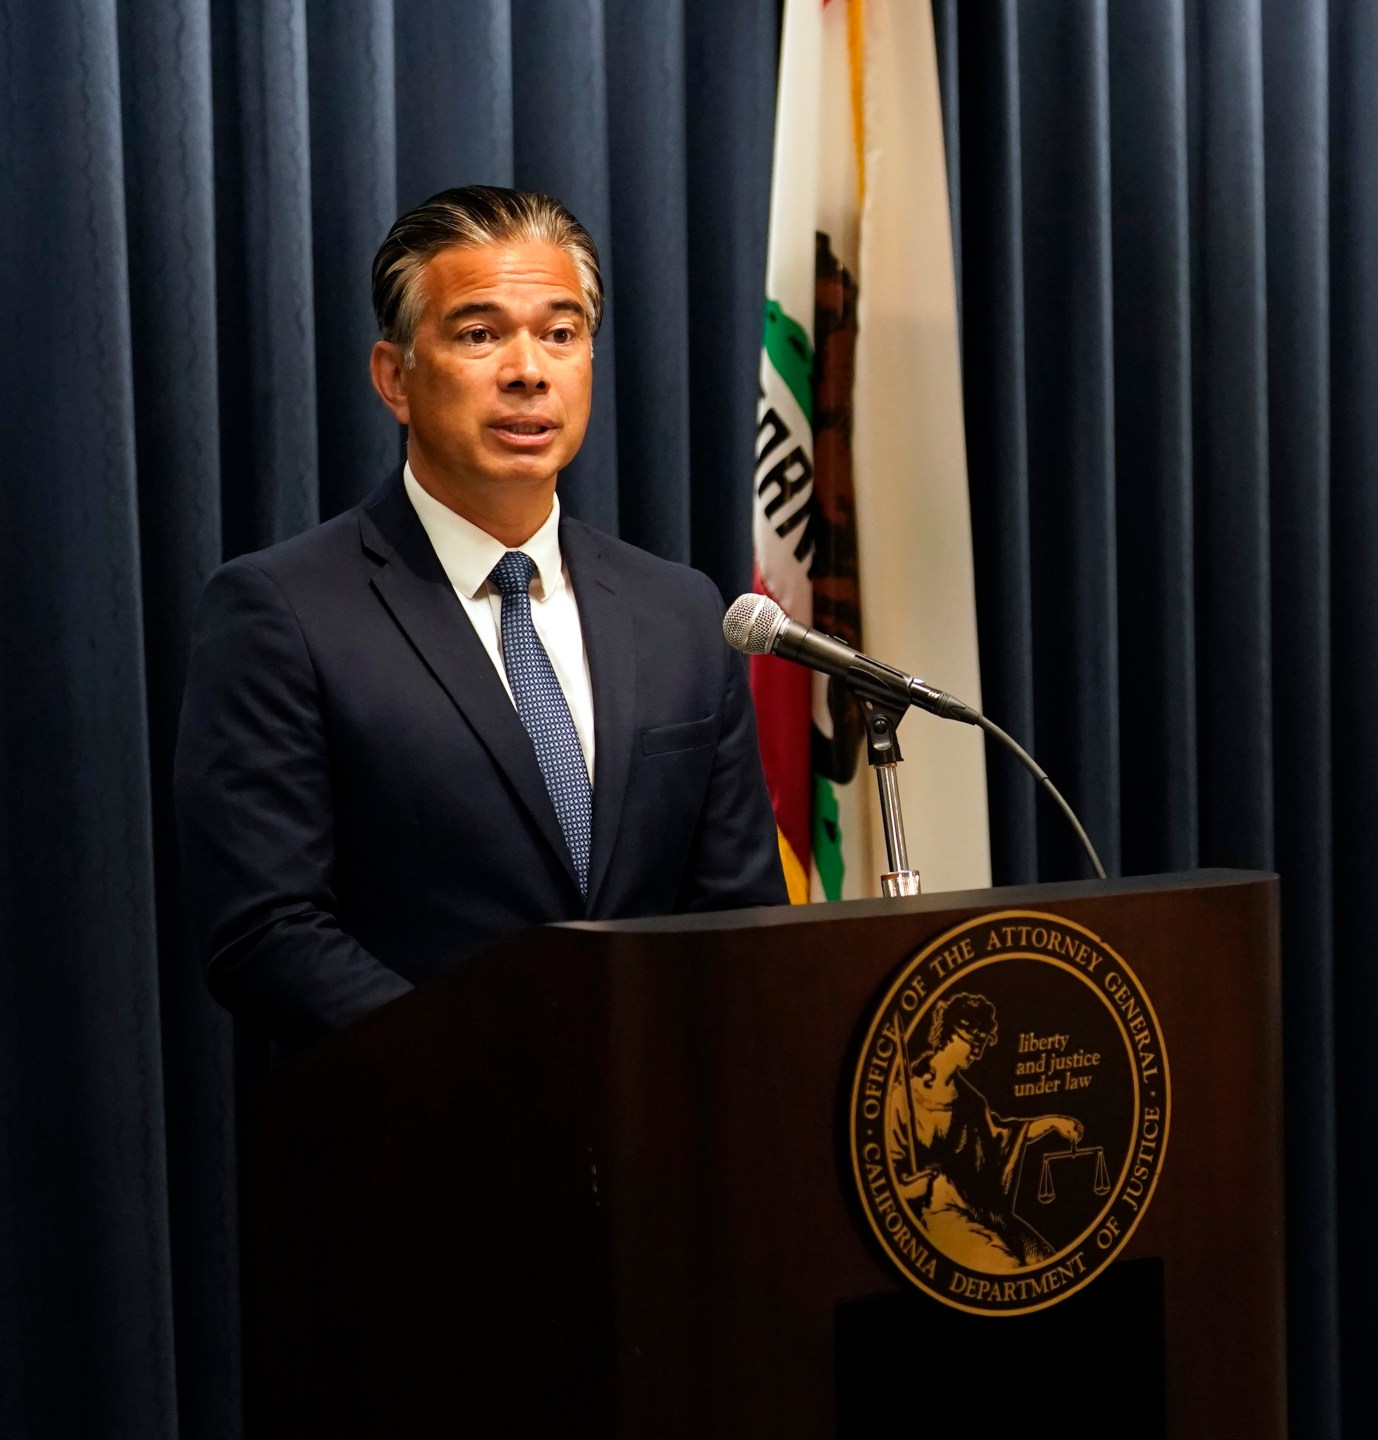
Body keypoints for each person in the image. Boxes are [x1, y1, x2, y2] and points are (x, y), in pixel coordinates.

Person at [174, 185, 788, 1048]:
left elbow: (739, 912)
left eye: (561, 333)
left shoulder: (682, 610)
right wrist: (500, 1076)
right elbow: (264, 931)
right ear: (395, 377)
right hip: (416, 1144)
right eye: (479, 333)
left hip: (661, 1143)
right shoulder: (282, 612)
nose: (528, 369)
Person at [882, 993, 1086, 1271]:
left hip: (978, 1210)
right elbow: (888, 1183)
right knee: (1007, 1267)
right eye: (973, 1041)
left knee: (1048, 1263)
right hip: (934, 1214)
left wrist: (1051, 1123)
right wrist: (927, 1186)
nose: (978, 1052)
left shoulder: (969, 1102)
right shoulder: (902, 1096)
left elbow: (1003, 1137)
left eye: (983, 1043)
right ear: (950, 1034)